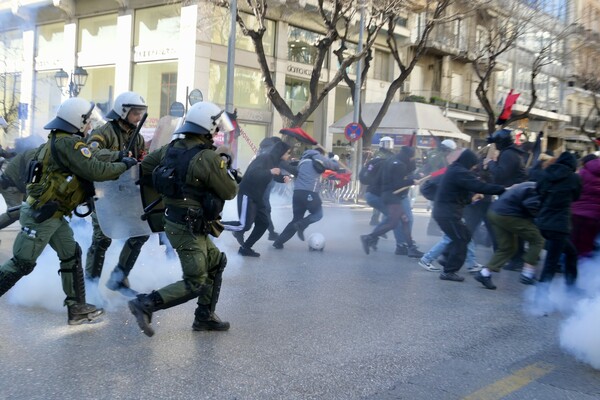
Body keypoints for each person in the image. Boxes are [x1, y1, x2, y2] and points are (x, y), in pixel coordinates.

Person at [0, 97, 137, 325]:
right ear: (77, 120)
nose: (90, 126)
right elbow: (94, 169)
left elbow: (90, 158)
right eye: (87, 121)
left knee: (71, 254)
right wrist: (123, 165)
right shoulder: (69, 144)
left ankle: (77, 309)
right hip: (42, 216)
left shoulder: (61, 141)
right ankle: (77, 307)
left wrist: (116, 156)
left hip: (52, 213)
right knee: (22, 263)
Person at [130, 101, 238, 336]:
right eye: (216, 127)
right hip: (188, 227)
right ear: (206, 128)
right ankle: (146, 303)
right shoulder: (208, 157)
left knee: (216, 261)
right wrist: (227, 175)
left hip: (175, 220)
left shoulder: (171, 148)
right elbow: (230, 191)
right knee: (195, 282)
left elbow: (147, 165)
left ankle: (204, 317)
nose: (217, 132)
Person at [85, 91, 149, 296]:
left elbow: (142, 160)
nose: (139, 118)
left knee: (140, 234)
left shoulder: (137, 137)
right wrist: (119, 155)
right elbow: (90, 152)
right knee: (102, 239)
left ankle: (118, 278)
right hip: (103, 193)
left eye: (141, 113)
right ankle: (90, 288)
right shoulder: (103, 132)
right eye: (135, 113)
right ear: (123, 111)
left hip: (127, 194)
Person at [433, 149, 505, 282]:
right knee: (462, 238)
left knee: (461, 236)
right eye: (473, 164)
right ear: (468, 161)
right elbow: (478, 186)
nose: (474, 167)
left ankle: (447, 259)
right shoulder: (459, 171)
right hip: (447, 213)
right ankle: (449, 270)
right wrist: (502, 190)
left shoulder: (455, 169)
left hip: (446, 211)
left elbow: (461, 193)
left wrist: (471, 197)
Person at [223, 139, 292, 257]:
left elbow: (272, 176)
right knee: (244, 225)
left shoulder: (274, 161)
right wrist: (270, 171)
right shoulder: (264, 158)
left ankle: (246, 248)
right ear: (281, 152)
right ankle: (212, 224)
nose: (289, 155)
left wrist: (282, 178)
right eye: (287, 153)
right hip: (247, 193)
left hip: (257, 196)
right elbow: (252, 174)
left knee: (263, 223)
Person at [474, 182, 544, 290]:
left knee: (507, 248)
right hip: (508, 214)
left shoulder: (530, 184)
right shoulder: (538, 189)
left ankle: (484, 273)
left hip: (495, 212)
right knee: (537, 239)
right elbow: (531, 206)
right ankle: (527, 274)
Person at [360, 146, 423, 258]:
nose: (413, 160)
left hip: (389, 195)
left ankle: (410, 248)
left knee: (404, 220)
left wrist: (412, 178)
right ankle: (370, 238)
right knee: (395, 222)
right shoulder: (398, 164)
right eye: (413, 158)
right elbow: (397, 184)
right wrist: (412, 181)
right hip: (391, 196)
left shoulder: (393, 162)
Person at [272, 148, 340, 249]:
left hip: (297, 193)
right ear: (320, 153)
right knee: (318, 214)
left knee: (296, 219)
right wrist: (333, 158)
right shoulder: (318, 157)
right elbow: (335, 166)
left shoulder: (302, 161)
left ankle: (278, 242)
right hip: (310, 192)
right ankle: (301, 225)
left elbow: (293, 170)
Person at [484, 128, 529, 271]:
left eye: (496, 142)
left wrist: (490, 163)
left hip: (513, 196)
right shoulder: (511, 153)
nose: (495, 145)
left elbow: (500, 175)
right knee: (512, 228)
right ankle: (515, 258)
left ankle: (516, 259)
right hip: (514, 195)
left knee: (511, 227)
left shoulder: (509, 154)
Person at [536, 151, 581, 287]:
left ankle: (571, 286)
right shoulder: (574, 178)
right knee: (551, 262)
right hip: (559, 225)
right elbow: (576, 197)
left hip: (544, 221)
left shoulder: (546, 173)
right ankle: (541, 296)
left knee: (570, 253)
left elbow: (539, 191)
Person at [0, 147, 40, 230]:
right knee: (15, 212)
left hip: (18, 186)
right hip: (10, 185)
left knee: (37, 205)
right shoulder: (34, 154)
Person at [570, 154, 600, 258]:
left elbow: (572, 189)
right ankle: (584, 269)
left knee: (572, 241)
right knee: (586, 245)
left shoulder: (581, 173)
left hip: (575, 212)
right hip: (594, 216)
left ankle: (568, 267)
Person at [368, 136, 395, 226]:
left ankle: (385, 219)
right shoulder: (378, 154)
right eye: (386, 143)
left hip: (389, 179)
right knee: (379, 199)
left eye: (389, 143)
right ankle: (375, 218)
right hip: (378, 180)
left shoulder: (392, 154)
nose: (388, 145)